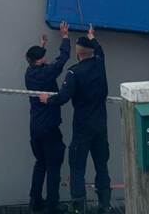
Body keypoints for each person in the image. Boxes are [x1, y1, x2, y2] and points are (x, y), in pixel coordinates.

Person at [39, 25, 110, 213]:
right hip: (101, 125)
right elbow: (100, 50)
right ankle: (105, 205)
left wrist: (48, 99)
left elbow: (62, 97)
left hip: (83, 128)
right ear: (92, 52)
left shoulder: (74, 72)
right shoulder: (99, 63)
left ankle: (80, 209)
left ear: (78, 54)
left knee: (77, 169)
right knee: (102, 166)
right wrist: (92, 36)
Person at [25, 21, 71, 213]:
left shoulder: (29, 72)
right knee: (53, 166)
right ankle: (52, 205)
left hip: (35, 127)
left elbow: (36, 61)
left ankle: (35, 201)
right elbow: (63, 58)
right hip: (49, 128)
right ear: (41, 61)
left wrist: (42, 46)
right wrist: (65, 36)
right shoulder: (47, 73)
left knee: (40, 163)